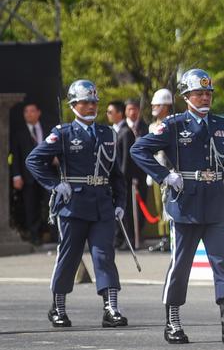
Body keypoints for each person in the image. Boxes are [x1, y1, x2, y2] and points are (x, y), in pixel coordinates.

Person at [129, 69, 224, 346]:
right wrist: (165, 175)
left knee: (221, 262)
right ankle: (173, 320)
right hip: (185, 203)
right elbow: (138, 150)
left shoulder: (222, 125)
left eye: (208, 93)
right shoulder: (172, 125)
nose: (205, 97)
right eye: (199, 93)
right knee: (181, 264)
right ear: (186, 97)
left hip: (216, 203)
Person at [26, 80, 127, 328]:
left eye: (94, 102)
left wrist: (120, 202)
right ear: (73, 105)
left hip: (102, 203)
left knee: (104, 255)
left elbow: (116, 173)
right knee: (69, 256)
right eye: (86, 102)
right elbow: (33, 160)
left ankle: (111, 307)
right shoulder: (63, 133)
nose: (91, 106)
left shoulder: (107, 134)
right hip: (73, 204)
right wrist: (55, 184)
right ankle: (58, 307)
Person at [10, 102, 50, 246]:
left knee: (49, 203)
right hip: (28, 176)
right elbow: (15, 156)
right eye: (26, 112)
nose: (29, 114)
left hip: (47, 174)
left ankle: (51, 233)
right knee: (31, 206)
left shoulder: (47, 129)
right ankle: (35, 235)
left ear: (38, 112)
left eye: (32, 111)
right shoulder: (19, 133)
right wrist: (16, 175)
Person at [115, 99, 147, 250]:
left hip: (141, 174)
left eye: (135, 109)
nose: (133, 112)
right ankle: (127, 237)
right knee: (126, 208)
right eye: (129, 109)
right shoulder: (123, 129)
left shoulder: (144, 127)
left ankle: (137, 236)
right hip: (125, 175)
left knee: (141, 207)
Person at [145, 89, 174, 252]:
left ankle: (171, 236)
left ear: (166, 106)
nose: (154, 107)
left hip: (169, 172)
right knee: (158, 206)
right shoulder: (152, 126)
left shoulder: (172, 123)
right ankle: (163, 237)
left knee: (169, 205)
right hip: (156, 171)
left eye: (158, 105)